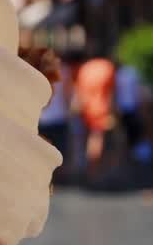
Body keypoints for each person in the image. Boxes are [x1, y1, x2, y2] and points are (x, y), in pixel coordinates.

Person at [75, 53, 117, 185]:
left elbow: (79, 90)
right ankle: (95, 171)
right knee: (98, 139)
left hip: (87, 109)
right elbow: (111, 93)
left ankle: (91, 170)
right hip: (102, 109)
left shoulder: (85, 68)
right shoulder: (107, 67)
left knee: (91, 138)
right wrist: (114, 112)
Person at [38, 57, 73, 183]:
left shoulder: (38, 71)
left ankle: (45, 178)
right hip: (59, 117)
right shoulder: (64, 71)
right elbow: (67, 95)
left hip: (42, 118)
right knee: (59, 151)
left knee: (43, 151)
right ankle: (56, 179)